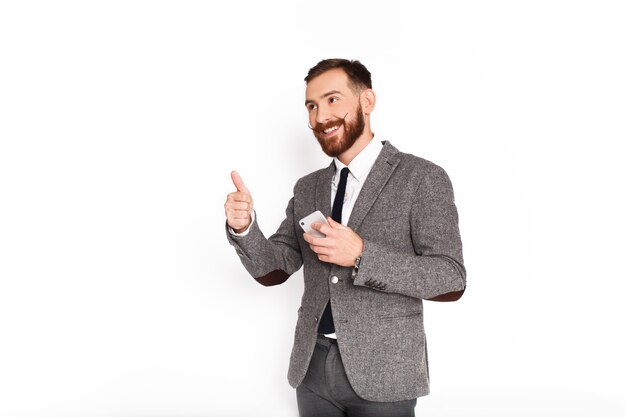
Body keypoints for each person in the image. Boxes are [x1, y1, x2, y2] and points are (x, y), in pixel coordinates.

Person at [224, 58, 466, 417]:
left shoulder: (422, 178)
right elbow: (275, 268)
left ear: (367, 102)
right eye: (311, 105)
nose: (320, 116)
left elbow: (451, 279)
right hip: (312, 370)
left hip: (385, 374)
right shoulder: (309, 187)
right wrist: (244, 228)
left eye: (333, 99)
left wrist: (362, 255)